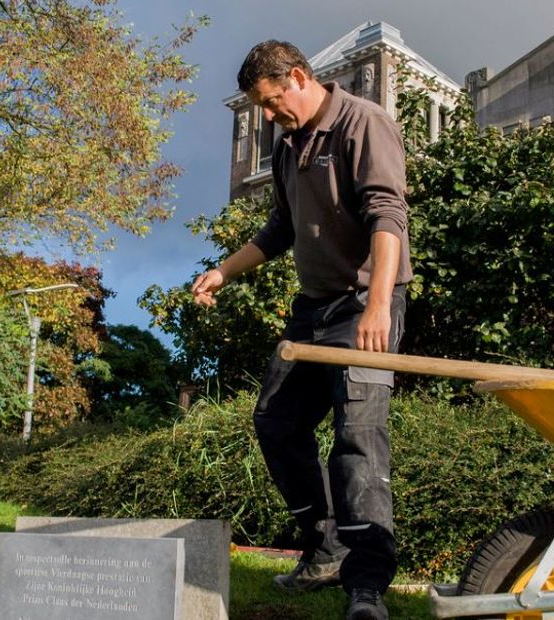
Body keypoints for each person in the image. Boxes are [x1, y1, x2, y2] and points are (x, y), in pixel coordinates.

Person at [191, 40, 412, 620]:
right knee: (277, 421)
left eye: (269, 102)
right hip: (314, 311)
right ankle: (327, 549)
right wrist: (222, 271)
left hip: (368, 303)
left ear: (296, 77)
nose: (267, 116)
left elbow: (389, 214)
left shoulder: (363, 124)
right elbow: (278, 230)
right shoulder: (290, 146)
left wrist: (377, 306)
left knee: (357, 437)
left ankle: (366, 585)